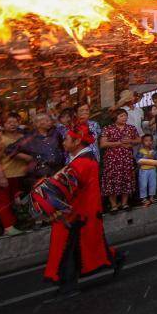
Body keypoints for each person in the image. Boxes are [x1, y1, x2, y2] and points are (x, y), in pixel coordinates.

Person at [41, 125, 123, 300]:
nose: (64, 143)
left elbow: (66, 188)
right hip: (82, 211)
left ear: (77, 141)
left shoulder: (82, 163)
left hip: (76, 213)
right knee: (87, 245)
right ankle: (116, 258)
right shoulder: (83, 160)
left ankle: (68, 286)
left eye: (67, 140)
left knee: (68, 250)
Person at [0, 113, 35, 236]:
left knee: (18, 202)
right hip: (4, 174)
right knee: (3, 202)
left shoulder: (23, 137)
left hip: (20, 175)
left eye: (15, 121)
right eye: (9, 122)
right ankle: (8, 227)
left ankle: (19, 223)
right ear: (3, 125)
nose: (13, 124)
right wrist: (1, 176)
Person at [99, 109, 140, 212]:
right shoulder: (108, 128)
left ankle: (124, 203)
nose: (124, 118)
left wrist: (131, 141)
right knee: (111, 180)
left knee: (126, 178)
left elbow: (139, 140)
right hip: (112, 159)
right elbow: (103, 144)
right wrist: (119, 143)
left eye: (125, 116)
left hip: (126, 158)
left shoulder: (131, 128)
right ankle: (113, 205)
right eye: (121, 116)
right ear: (115, 117)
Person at [136, 134, 157, 206]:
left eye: (150, 140)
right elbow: (138, 161)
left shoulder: (154, 151)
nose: (149, 142)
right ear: (142, 142)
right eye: (146, 141)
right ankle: (144, 198)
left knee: (153, 183)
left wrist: (153, 155)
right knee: (143, 184)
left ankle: (152, 197)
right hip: (143, 170)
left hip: (152, 169)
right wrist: (144, 157)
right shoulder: (141, 151)